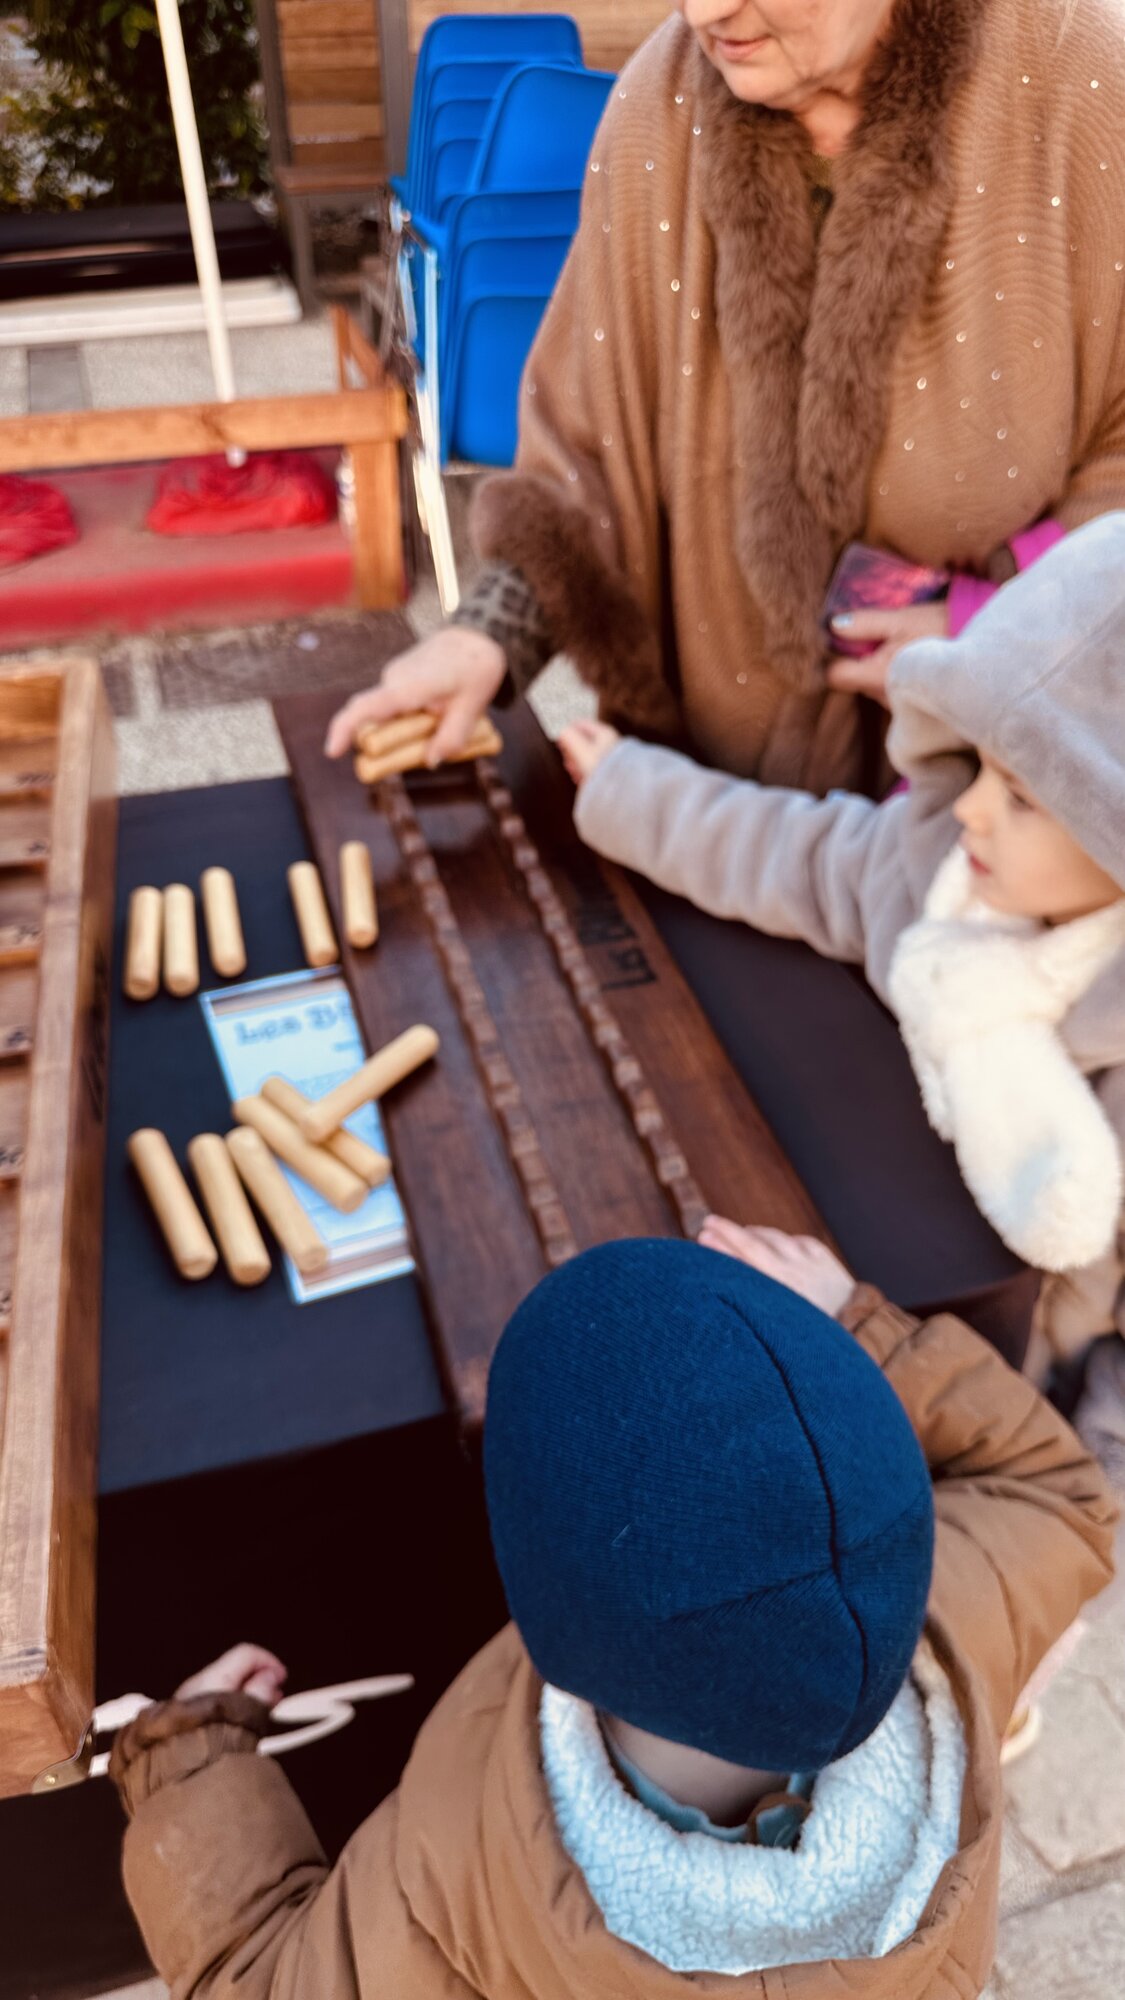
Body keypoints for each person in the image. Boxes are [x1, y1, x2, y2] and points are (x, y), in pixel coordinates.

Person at [109, 1232, 1115, 1997]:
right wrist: (858, 1327)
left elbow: (259, 1979)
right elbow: (1060, 1490)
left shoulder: (449, 1888)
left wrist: (194, 1767)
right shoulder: (961, 1607)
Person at [326, 0, 1125, 794]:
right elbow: (585, 457)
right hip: (714, 809)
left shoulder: (1084, 80)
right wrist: (487, 634)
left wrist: (1001, 629)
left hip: (1000, 810)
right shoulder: (659, 98)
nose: (705, 12)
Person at [561, 513, 1125, 1376]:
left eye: (1020, 797)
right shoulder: (932, 871)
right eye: (975, 764)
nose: (969, 807)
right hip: (850, 1300)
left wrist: (1062, 1469)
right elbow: (782, 850)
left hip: (1011, 1412)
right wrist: (629, 790)